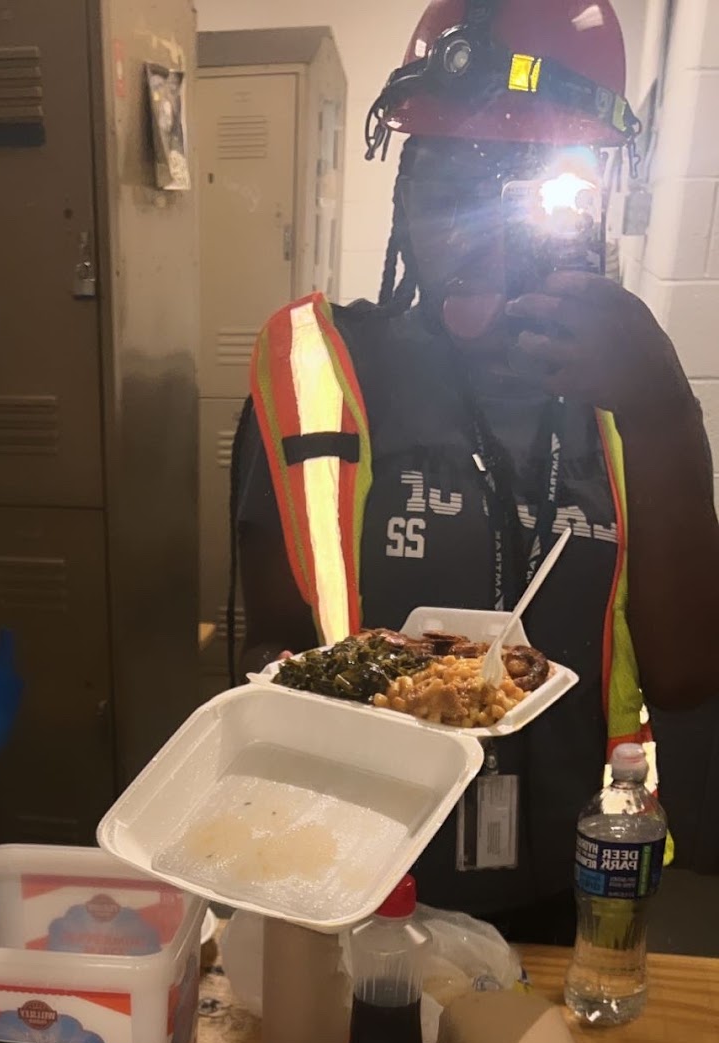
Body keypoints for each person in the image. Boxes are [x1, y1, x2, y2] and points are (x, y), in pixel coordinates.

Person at [232, 0, 719, 944]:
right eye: (447, 177)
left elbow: (689, 676)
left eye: (526, 188)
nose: (472, 234)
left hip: (567, 894)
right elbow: (272, 649)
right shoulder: (323, 374)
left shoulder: (623, 388)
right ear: (405, 186)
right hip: (350, 881)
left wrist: (665, 411)